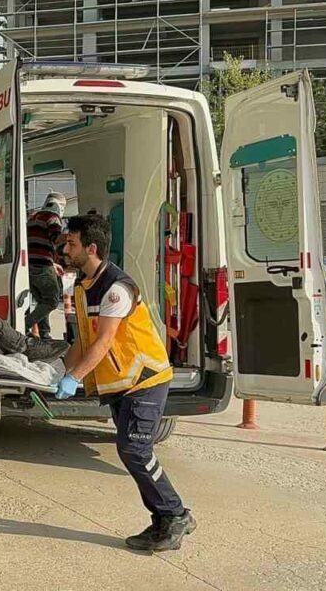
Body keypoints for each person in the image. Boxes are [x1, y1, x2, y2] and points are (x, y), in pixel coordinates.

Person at [52, 214, 195, 552]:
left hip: (144, 379)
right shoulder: (84, 286)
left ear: (91, 248)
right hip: (122, 383)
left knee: (134, 450)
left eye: (71, 243)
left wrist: (74, 378)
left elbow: (103, 342)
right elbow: (84, 341)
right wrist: (57, 371)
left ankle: (175, 515)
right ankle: (163, 521)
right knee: (132, 452)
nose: (65, 249)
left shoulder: (117, 288)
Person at [23, 192, 67, 338]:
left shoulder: (32, 218)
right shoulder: (53, 217)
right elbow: (56, 238)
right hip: (42, 266)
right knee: (52, 301)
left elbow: (34, 244)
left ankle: (45, 335)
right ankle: (24, 325)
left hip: (28, 266)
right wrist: (73, 238)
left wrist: (53, 263)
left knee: (42, 302)